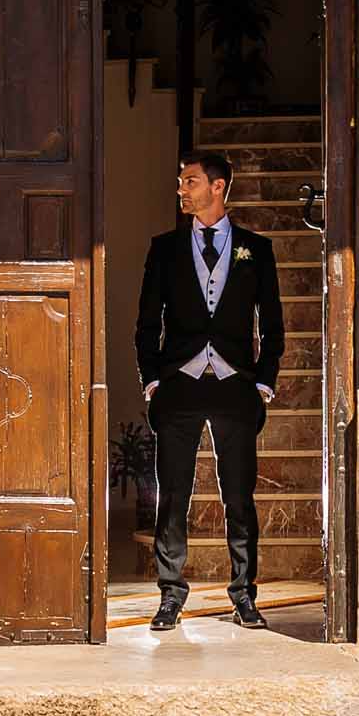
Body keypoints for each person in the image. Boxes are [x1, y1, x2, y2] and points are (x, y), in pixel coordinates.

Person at [134, 150, 285, 632]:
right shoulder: (164, 248)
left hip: (235, 386)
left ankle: (243, 595)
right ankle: (170, 594)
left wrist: (262, 382)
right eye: (182, 182)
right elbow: (146, 322)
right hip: (178, 385)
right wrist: (152, 379)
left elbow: (273, 323)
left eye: (191, 181)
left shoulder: (256, 250)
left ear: (217, 187)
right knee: (172, 495)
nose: (182, 189)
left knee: (239, 496)